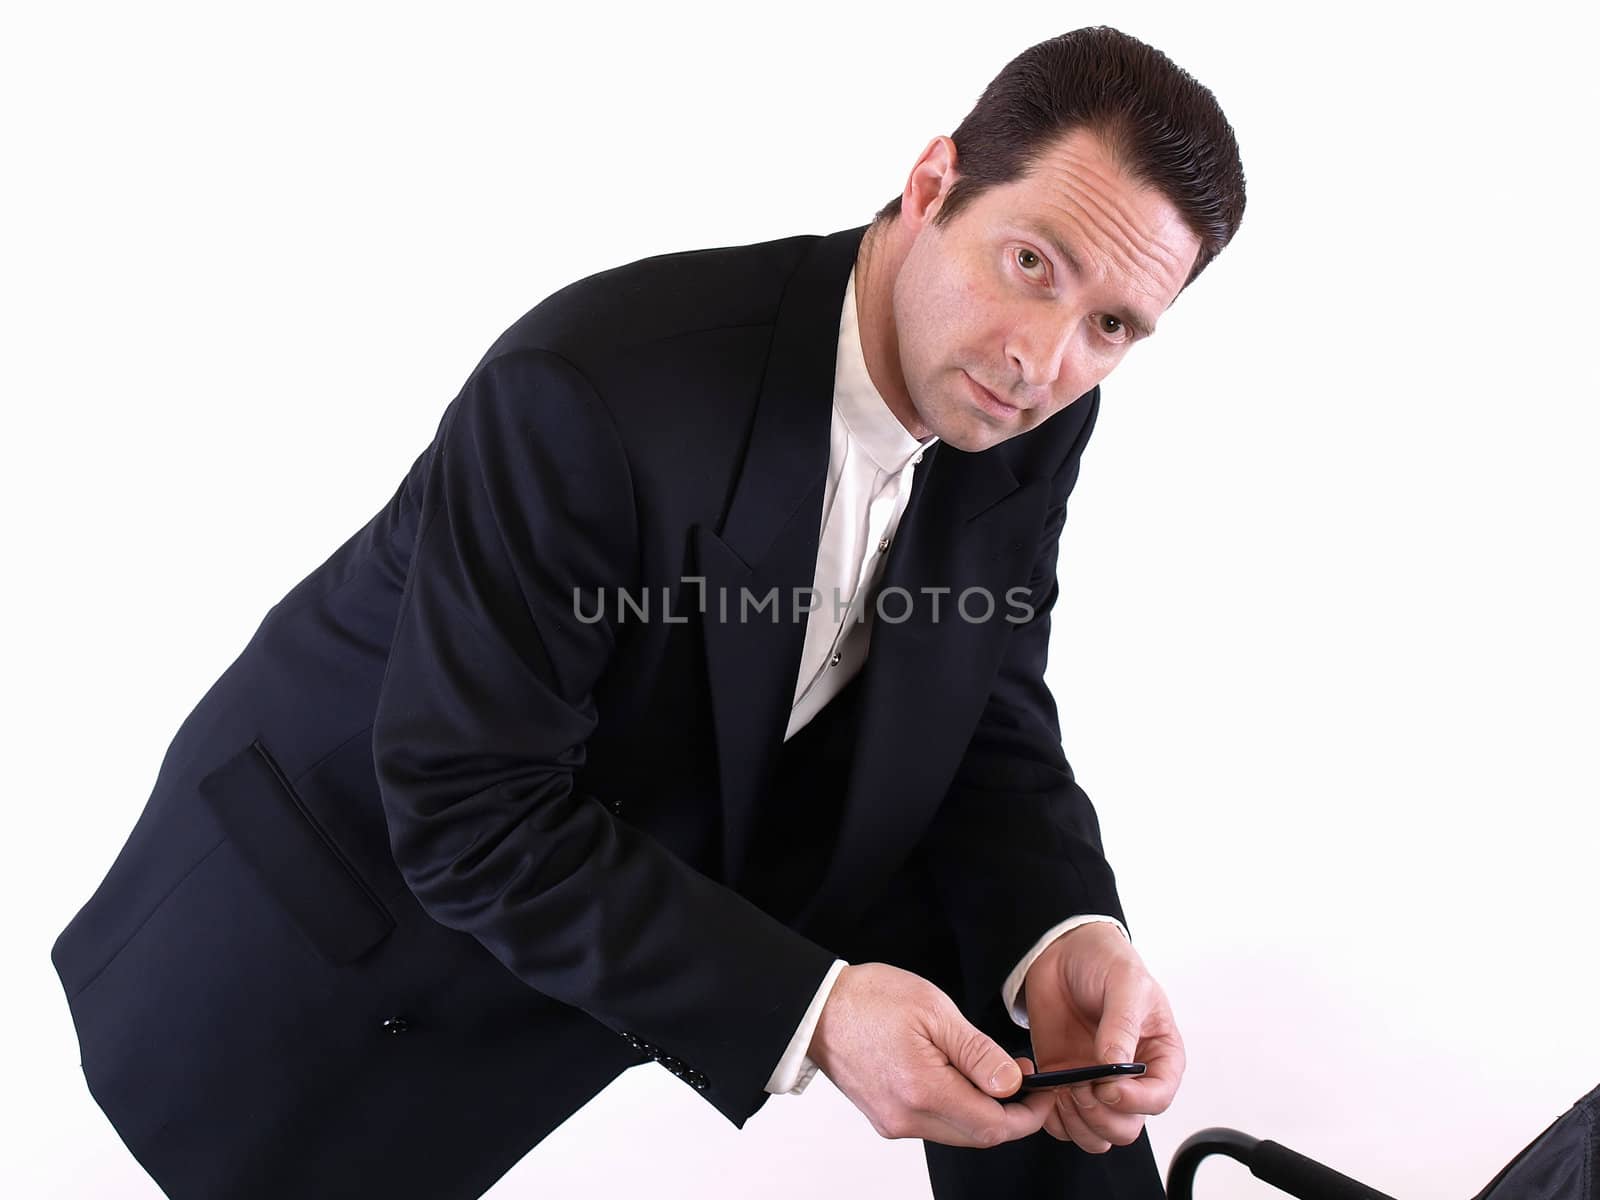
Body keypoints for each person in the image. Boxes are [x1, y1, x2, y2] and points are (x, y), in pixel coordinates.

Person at [50, 24, 1245, 1200]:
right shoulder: (592, 392)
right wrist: (815, 1013)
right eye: (1030, 262)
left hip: (605, 862)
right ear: (931, 184)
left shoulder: (1022, 409)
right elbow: (468, 812)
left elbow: (978, 691)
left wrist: (1065, 924)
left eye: (1111, 327)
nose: (1043, 358)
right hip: (322, 926)